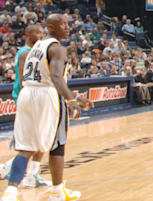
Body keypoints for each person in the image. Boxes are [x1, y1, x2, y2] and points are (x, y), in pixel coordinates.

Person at [3, 14, 92, 201]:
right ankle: (58, 192)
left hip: (28, 94)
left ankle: (10, 192)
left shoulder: (36, 46)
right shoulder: (58, 48)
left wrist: (74, 96)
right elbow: (56, 78)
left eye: (68, 24)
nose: (67, 27)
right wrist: (71, 101)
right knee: (58, 144)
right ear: (52, 26)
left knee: (26, 147)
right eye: (63, 24)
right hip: (46, 95)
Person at [0, 25, 51, 189]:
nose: (41, 36)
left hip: (28, 96)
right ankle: (11, 168)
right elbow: (24, 79)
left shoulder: (30, 51)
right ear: (28, 35)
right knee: (34, 139)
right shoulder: (27, 52)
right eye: (38, 33)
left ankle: (25, 172)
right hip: (27, 96)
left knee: (36, 139)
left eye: (43, 33)